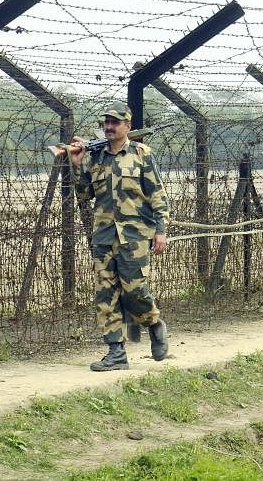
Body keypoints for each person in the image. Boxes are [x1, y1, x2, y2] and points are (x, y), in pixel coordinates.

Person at [70, 103, 170, 371]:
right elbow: (84, 195)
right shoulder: (95, 157)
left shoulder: (141, 154)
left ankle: (153, 323)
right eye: (107, 122)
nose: (110, 127)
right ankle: (116, 353)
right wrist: (77, 166)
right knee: (106, 294)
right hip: (103, 237)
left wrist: (160, 231)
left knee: (135, 291)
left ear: (127, 125)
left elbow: (158, 196)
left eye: (115, 122)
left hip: (134, 237)